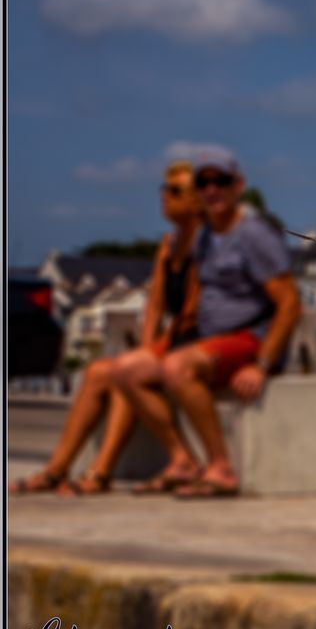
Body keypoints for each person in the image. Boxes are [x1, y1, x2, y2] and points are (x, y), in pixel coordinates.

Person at [9, 161, 203, 495]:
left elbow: (192, 313)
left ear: (198, 200)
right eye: (163, 189)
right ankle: (57, 468)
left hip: (197, 343)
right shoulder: (169, 245)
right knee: (98, 371)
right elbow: (155, 303)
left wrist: (151, 354)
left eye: (175, 191)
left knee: (126, 372)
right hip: (171, 343)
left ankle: (101, 471)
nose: (164, 197)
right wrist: (147, 344)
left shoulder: (208, 247)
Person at [115, 152, 301, 497]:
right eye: (203, 183)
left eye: (221, 182)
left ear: (238, 186)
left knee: (177, 368)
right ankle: (182, 459)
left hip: (250, 338)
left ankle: (220, 467)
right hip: (209, 340)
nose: (212, 190)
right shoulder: (205, 237)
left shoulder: (253, 235)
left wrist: (263, 365)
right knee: (128, 370)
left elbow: (289, 303)